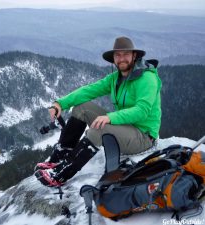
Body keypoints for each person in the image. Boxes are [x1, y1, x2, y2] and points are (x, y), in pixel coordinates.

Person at [35, 36, 162, 187]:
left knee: (98, 130)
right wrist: (60, 103)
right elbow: (89, 91)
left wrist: (110, 117)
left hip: (144, 137)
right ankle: (58, 159)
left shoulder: (146, 79)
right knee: (81, 108)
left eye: (126, 54)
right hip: (126, 127)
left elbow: (142, 111)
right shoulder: (116, 78)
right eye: (118, 55)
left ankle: (61, 174)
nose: (121, 59)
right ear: (113, 59)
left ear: (134, 56)